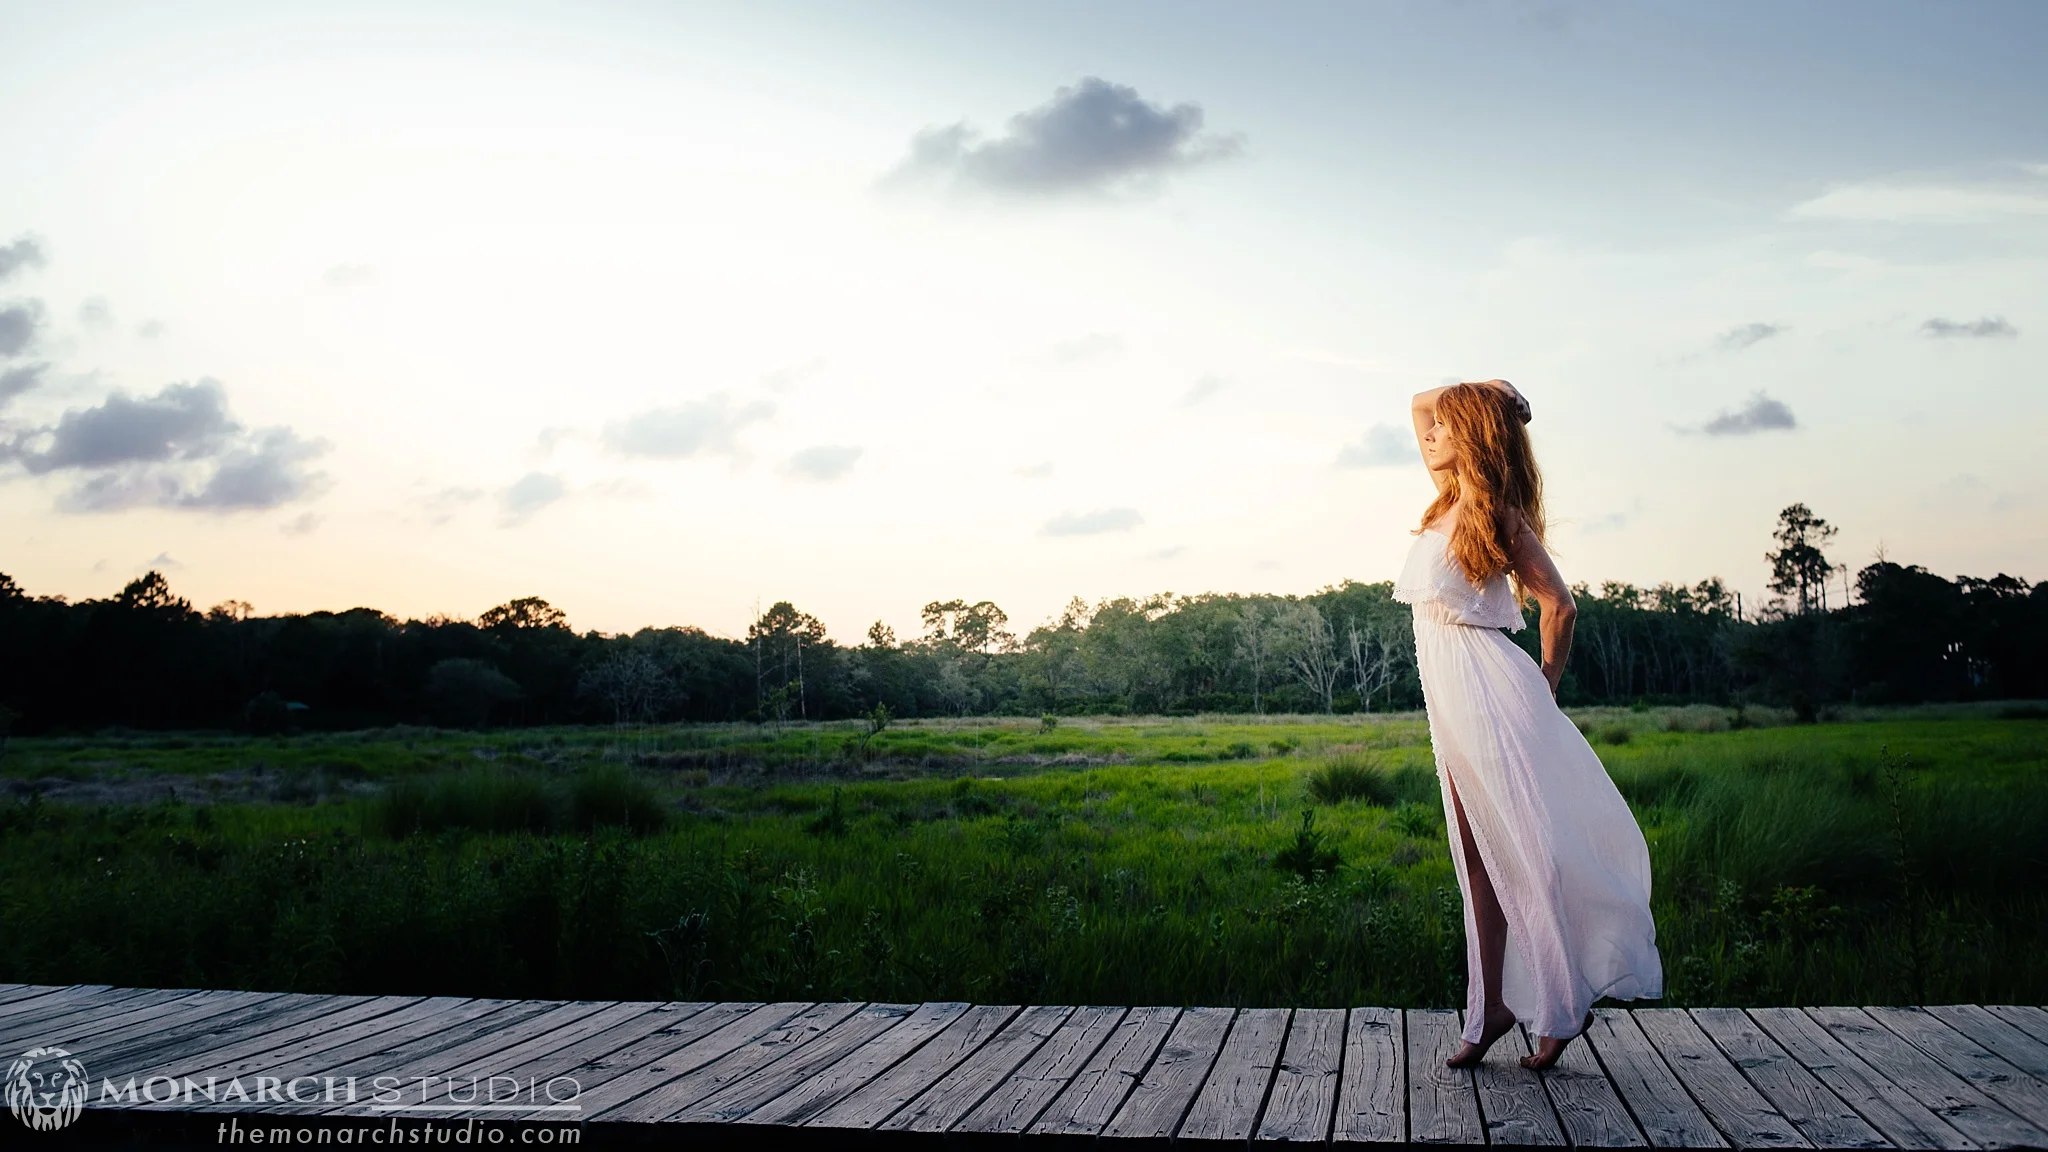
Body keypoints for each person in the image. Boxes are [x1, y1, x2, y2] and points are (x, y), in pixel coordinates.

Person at [1397, 379, 1663, 1071]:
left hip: (1490, 692)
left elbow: (1561, 607)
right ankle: (1489, 1009)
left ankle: (1560, 1002)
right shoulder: (1447, 493)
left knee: (1524, 851)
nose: (1431, 436)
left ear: (1475, 439)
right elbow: (1419, 402)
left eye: (1447, 429)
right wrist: (1491, 391)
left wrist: (1543, 686)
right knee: (1476, 860)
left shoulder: (1501, 515)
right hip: (1450, 698)